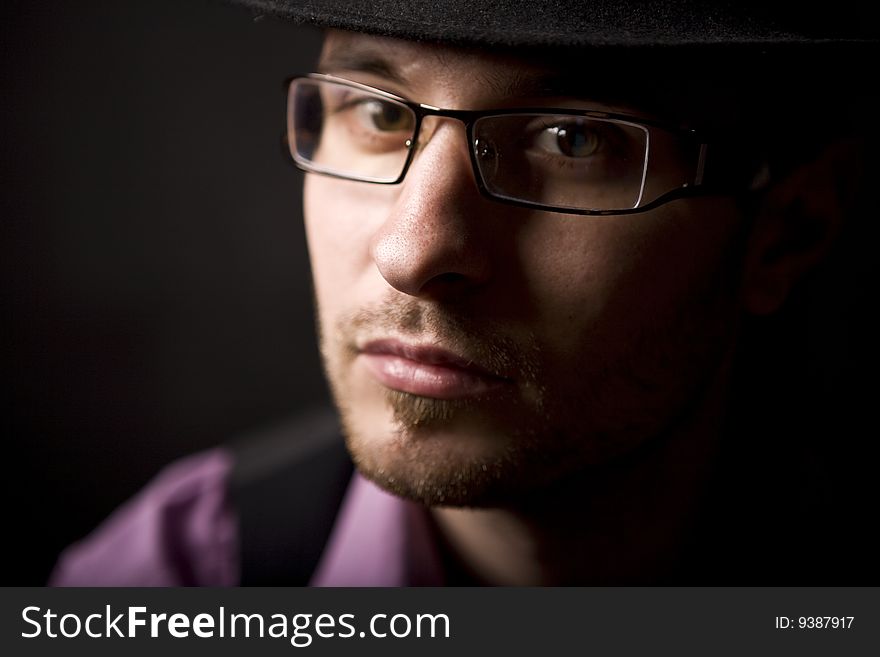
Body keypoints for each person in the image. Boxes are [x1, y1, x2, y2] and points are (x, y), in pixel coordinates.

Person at [51, 0, 878, 586]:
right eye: (376, 113)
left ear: (786, 233)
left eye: (573, 139)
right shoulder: (174, 582)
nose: (412, 253)